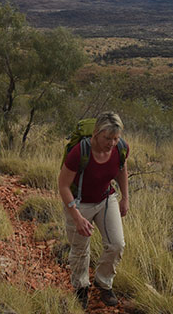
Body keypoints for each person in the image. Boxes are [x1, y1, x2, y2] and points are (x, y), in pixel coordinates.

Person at [57, 112, 129, 309]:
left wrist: (125, 198)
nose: (112, 143)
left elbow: (122, 169)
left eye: (116, 138)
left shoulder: (121, 148)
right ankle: (80, 287)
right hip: (79, 203)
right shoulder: (79, 152)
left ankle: (103, 282)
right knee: (80, 249)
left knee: (117, 244)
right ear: (96, 133)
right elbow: (63, 186)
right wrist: (77, 217)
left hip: (106, 199)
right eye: (108, 138)